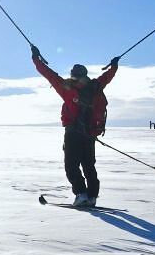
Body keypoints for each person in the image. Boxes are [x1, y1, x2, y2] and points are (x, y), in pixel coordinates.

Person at [31, 44, 119, 207]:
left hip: (73, 133)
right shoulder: (95, 86)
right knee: (89, 166)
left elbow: (48, 74)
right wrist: (114, 66)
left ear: (72, 74)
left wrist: (35, 58)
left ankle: (81, 194)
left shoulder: (67, 87)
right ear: (85, 75)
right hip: (90, 134)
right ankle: (92, 197)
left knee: (71, 166)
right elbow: (107, 77)